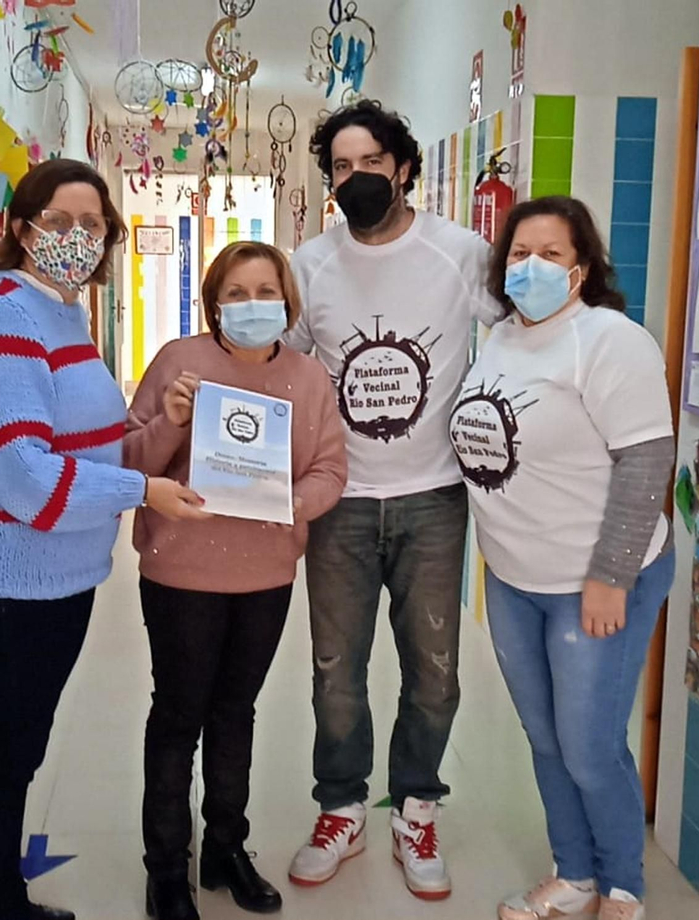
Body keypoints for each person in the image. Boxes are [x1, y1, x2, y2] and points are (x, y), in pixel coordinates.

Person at [0, 159, 208, 920]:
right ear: (22, 229)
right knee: (9, 745)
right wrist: (142, 491)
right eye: (59, 222)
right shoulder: (2, 318)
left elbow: (93, 446)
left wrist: (169, 428)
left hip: (58, 571)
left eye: (94, 225)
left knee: (19, 739)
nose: (77, 238)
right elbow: (22, 475)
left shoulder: (63, 313)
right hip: (10, 576)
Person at [283, 99, 503, 901]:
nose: (356, 179)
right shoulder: (309, 265)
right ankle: (340, 806)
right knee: (335, 671)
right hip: (340, 499)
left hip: (435, 498)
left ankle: (415, 805)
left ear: (403, 167)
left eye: (371, 163)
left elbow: (516, 334)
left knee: (434, 672)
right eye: (341, 167)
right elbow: (293, 372)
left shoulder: (460, 253)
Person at [447, 198, 674, 920]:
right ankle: (573, 872)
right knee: (545, 741)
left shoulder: (609, 340)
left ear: (581, 268)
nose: (531, 266)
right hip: (514, 578)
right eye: (518, 253)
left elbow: (646, 464)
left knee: (588, 746)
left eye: (550, 253)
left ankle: (623, 885)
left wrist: (611, 577)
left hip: (597, 580)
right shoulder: (504, 338)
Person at [123, 242, 348, 920]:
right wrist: (173, 420)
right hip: (182, 570)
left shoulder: (310, 379)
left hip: (265, 574)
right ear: (214, 303)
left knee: (235, 712)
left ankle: (225, 848)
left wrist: (291, 505)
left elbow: (329, 471)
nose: (254, 306)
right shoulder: (180, 362)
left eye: (266, 292)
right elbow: (130, 457)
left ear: (288, 301)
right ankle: (166, 869)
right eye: (239, 293)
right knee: (178, 714)